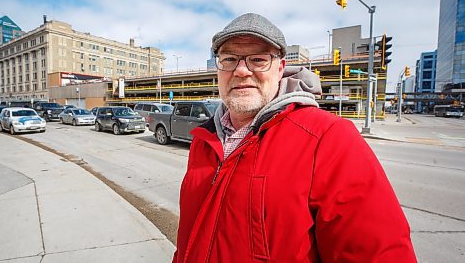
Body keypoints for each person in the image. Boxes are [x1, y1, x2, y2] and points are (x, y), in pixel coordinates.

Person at [172, 13, 417, 262]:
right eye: (229, 59)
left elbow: (378, 253)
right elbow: (187, 239)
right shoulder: (204, 140)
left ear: (280, 69)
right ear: (218, 69)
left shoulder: (328, 138)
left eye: (258, 59)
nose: (242, 70)